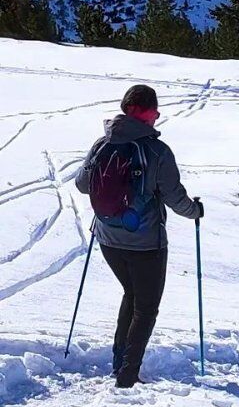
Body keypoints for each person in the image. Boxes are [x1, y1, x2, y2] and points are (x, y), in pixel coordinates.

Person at [74, 84, 203, 388]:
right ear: (148, 115)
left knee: (131, 295)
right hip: (146, 245)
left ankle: (120, 362)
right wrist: (195, 211)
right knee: (146, 308)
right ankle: (127, 375)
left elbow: (82, 184)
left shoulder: (102, 143)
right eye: (155, 113)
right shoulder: (157, 151)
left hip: (107, 238)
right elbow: (174, 197)